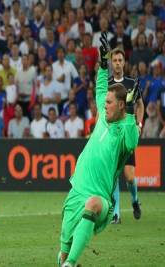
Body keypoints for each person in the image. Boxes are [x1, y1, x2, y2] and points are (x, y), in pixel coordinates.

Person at [58, 32, 140, 267]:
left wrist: (133, 109)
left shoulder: (125, 127)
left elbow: (133, 142)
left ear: (121, 105)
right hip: (78, 186)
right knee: (63, 247)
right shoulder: (104, 112)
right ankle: (65, 260)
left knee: (92, 205)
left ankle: (71, 264)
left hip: (101, 197)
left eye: (109, 103)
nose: (104, 106)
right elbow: (102, 83)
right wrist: (103, 62)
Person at [109, 47, 144, 224]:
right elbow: (102, 109)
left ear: (124, 63)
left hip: (128, 136)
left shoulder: (131, 83)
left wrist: (138, 124)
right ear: (111, 63)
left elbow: (140, 105)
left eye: (120, 60)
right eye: (114, 60)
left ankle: (135, 200)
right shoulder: (107, 84)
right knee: (114, 175)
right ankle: (116, 214)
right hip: (113, 136)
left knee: (129, 176)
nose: (117, 63)